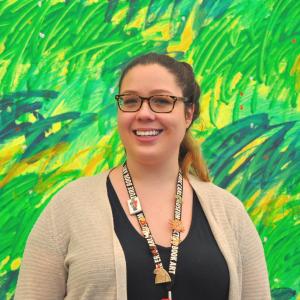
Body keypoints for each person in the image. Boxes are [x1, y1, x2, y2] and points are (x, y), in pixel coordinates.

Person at [15, 53, 271, 300]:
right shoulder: (69, 207)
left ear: (188, 113)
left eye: (161, 101)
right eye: (130, 101)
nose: (144, 113)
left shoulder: (230, 213)